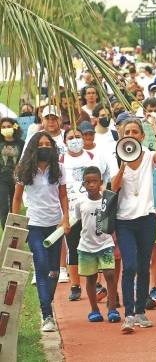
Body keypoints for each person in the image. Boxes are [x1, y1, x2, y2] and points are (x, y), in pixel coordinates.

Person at [111, 118, 156, 333]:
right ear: (122, 135)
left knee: (143, 266)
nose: (132, 134)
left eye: (136, 131)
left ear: (142, 136)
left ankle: (141, 311)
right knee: (130, 266)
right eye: (128, 131)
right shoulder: (116, 156)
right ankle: (129, 314)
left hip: (146, 218)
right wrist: (123, 162)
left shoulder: (149, 155)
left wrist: (155, 130)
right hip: (124, 221)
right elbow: (114, 187)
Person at [12, 131, 70, 332]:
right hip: (34, 224)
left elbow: (63, 197)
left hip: (55, 226)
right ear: (33, 147)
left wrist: (66, 219)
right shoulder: (24, 170)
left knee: (54, 270)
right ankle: (47, 315)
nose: (44, 147)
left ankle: (46, 303)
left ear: (53, 148)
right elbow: (17, 199)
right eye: (41, 144)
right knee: (41, 264)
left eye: (48, 144)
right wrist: (17, 223)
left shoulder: (60, 169)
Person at [62, 128, 103, 302]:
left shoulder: (93, 157)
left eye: (78, 137)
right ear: (64, 141)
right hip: (71, 212)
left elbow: (103, 180)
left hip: (92, 208)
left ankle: (98, 283)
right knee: (73, 247)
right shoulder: (60, 161)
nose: (75, 140)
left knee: (96, 244)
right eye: (70, 137)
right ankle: (75, 284)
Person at [75, 166, 120, 323]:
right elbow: (80, 219)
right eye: (88, 182)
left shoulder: (107, 200)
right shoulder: (80, 202)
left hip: (105, 244)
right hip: (86, 246)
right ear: (84, 184)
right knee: (91, 278)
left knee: (109, 274)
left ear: (101, 182)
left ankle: (112, 308)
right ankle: (94, 310)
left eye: (95, 181)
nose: (91, 185)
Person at [0, 118, 24, 229]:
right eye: (3, 127)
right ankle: (6, 232)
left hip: (16, 180)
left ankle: (14, 231)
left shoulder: (21, 143)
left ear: (14, 127)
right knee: (4, 207)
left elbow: (24, 160)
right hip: (1, 179)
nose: (6, 129)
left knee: (14, 208)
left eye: (8, 126)